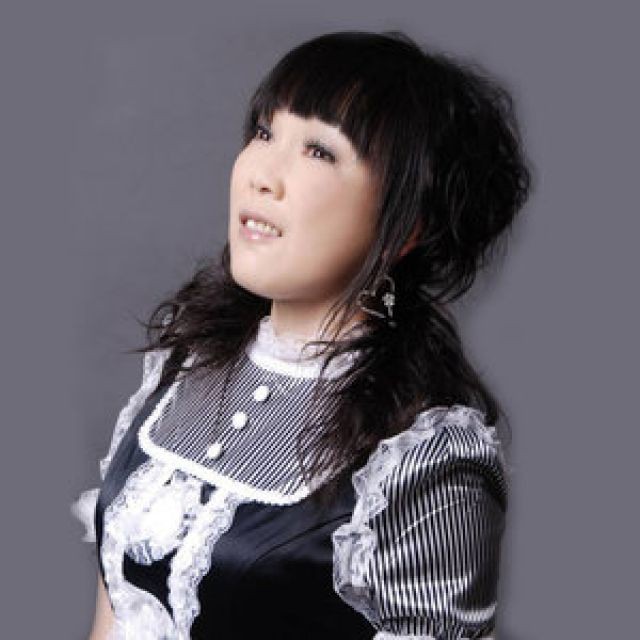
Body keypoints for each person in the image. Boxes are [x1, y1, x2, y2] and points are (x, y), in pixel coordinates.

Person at [71, 29, 532, 639]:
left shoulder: (425, 461)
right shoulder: (185, 367)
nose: (262, 174)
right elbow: (115, 606)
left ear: (407, 227)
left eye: (319, 150)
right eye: (265, 132)